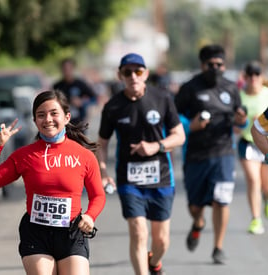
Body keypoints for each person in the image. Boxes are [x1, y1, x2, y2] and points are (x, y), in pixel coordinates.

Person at [0, 90, 106, 275]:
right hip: (36, 234)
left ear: (67, 117)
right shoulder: (25, 156)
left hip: (71, 233)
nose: (48, 119)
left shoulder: (84, 156)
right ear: (34, 121)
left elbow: (98, 195)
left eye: (54, 113)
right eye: (41, 115)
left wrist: (90, 216)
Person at [97, 53, 185, 275]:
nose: (133, 77)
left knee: (161, 240)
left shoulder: (162, 98)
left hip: (162, 177)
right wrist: (103, 172)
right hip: (129, 180)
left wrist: (156, 146)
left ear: (145, 74)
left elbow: (179, 136)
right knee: (138, 232)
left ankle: (154, 262)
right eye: (128, 72)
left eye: (138, 71)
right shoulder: (113, 107)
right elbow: (102, 143)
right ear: (120, 75)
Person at [175, 44, 248, 264]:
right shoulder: (190, 88)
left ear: (224, 66)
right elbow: (174, 118)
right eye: (211, 64)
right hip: (196, 154)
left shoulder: (231, 88)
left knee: (221, 200)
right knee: (195, 206)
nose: (215, 68)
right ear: (202, 65)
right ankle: (198, 223)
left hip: (224, 153)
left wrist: (241, 121)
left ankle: (218, 247)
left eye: (219, 64)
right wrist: (191, 125)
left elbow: (240, 120)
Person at [237, 61, 268, 234]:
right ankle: (256, 219)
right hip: (248, 143)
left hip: (266, 144)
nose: (254, 78)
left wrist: (262, 122)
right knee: (253, 180)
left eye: (257, 74)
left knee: (266, 186)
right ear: (245, 77)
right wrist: (246, 122)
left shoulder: (267, 94)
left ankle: (266, 199)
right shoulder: (240, 97)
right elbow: (234, 126)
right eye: (250, 74)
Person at [53, 58, 96, 125]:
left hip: (78, 122)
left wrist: (82, 101)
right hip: (62, 122)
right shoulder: (57, 86)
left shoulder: (81, 84)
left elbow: (94, 99)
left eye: (69, 68)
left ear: (73, 68)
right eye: (65, 68)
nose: (67, 71)